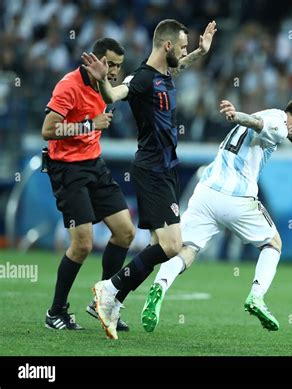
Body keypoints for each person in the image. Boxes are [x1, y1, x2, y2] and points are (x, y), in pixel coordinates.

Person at [140, 96, 292, 334]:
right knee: (273, 244)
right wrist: (237, 116)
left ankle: (160, 286)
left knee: (188, 248)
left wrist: (239, 118)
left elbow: (257, 122)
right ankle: (257, 296)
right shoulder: (278, 120)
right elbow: (258, 123)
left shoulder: (269, 111)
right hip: (237, 197)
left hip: (206, 192)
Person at [81, 19, 217, 339]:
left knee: (160, 246)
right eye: (181, 46)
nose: (183, 52)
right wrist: (102, 82)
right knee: (172, 246)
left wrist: (200, 51)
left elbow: (180, 66)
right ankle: (109, 288)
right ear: (167, 45)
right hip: (152, 167)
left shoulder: (165, 73)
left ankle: (111, 299)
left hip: (166, 167)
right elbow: (115, 94)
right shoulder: (142, 78)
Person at [42, 38, 135, 331]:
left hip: (95, 165)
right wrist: (88, 125)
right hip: (68, 169)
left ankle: (103, 303)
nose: (113, 71)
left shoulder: (105, 89)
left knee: (125, 232)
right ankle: (55, 312)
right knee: (82, 244)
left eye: (118, 65)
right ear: (92, 61)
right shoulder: (68, 85)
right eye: (109, 64)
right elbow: (47, 130)